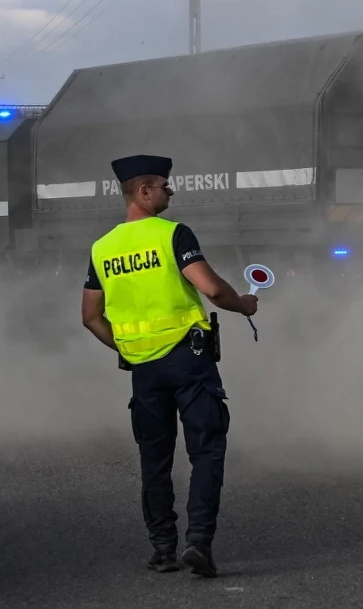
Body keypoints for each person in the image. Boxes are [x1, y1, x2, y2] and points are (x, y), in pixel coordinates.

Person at [81, 154, 258, 578]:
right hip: (189, 360)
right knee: (207, 450)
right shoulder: (173, 234)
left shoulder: (102, 248)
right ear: (143, 192)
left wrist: (126, 347)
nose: (170, 191)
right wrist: (243, 304)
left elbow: (90, 316)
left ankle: (162, 548)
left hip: (143, 369)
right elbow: (212, 289)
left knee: (154, 459)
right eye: (164, 185)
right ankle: (198, 543)